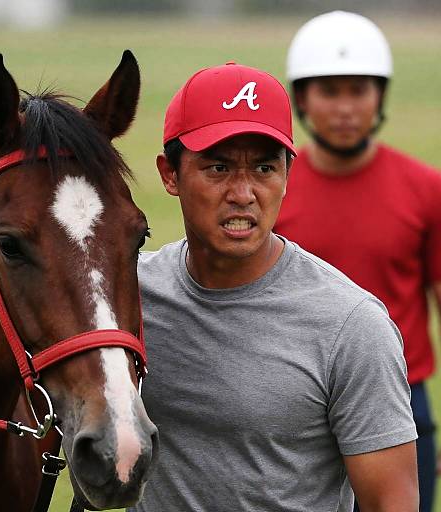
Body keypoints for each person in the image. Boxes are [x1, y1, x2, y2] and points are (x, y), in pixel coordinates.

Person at [131, 61, 418, 512]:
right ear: (170, 174)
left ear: (287, 175)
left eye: (264, 168)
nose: (243, 193)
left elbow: (391, 503)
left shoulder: (351, 325)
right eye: (218, 168)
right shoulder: (129, 298)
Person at [274, 11, 441, 512]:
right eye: (328, 91)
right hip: (293, 403)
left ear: (380, 97)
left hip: (402, 403)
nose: (345, 108)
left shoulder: (427, 189)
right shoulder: (271, 192)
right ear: (301, 99)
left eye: (359, 90)